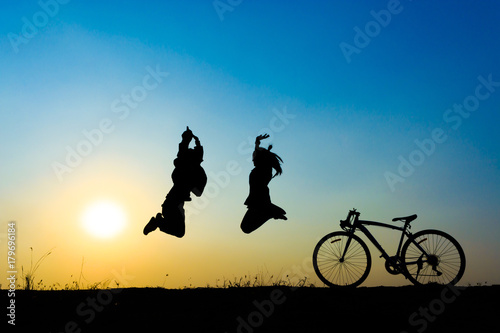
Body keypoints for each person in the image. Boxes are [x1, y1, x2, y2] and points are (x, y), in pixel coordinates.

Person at [143, 127, 207, 238]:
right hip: (173, 205)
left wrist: (192, 140)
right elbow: (198, 192)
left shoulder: (186, 167)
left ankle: (158, 222)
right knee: (179, 232)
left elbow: (183, 151)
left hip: (174, 204)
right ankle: (157, 222)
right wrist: (193, 141)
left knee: (179, 232)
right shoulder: (190, 169)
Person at [241, 134, 287, 234]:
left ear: (259, 159)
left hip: (259, 202)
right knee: (245, 228)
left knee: (245, 228)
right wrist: (257, 143)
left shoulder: (261, 170)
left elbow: (258, 151)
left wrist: (257, 143)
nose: (252, 160)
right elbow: (257, 152)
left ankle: (269, 213)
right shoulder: (264, 170)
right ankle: (270, 213)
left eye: (254, 158)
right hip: (259, 201)